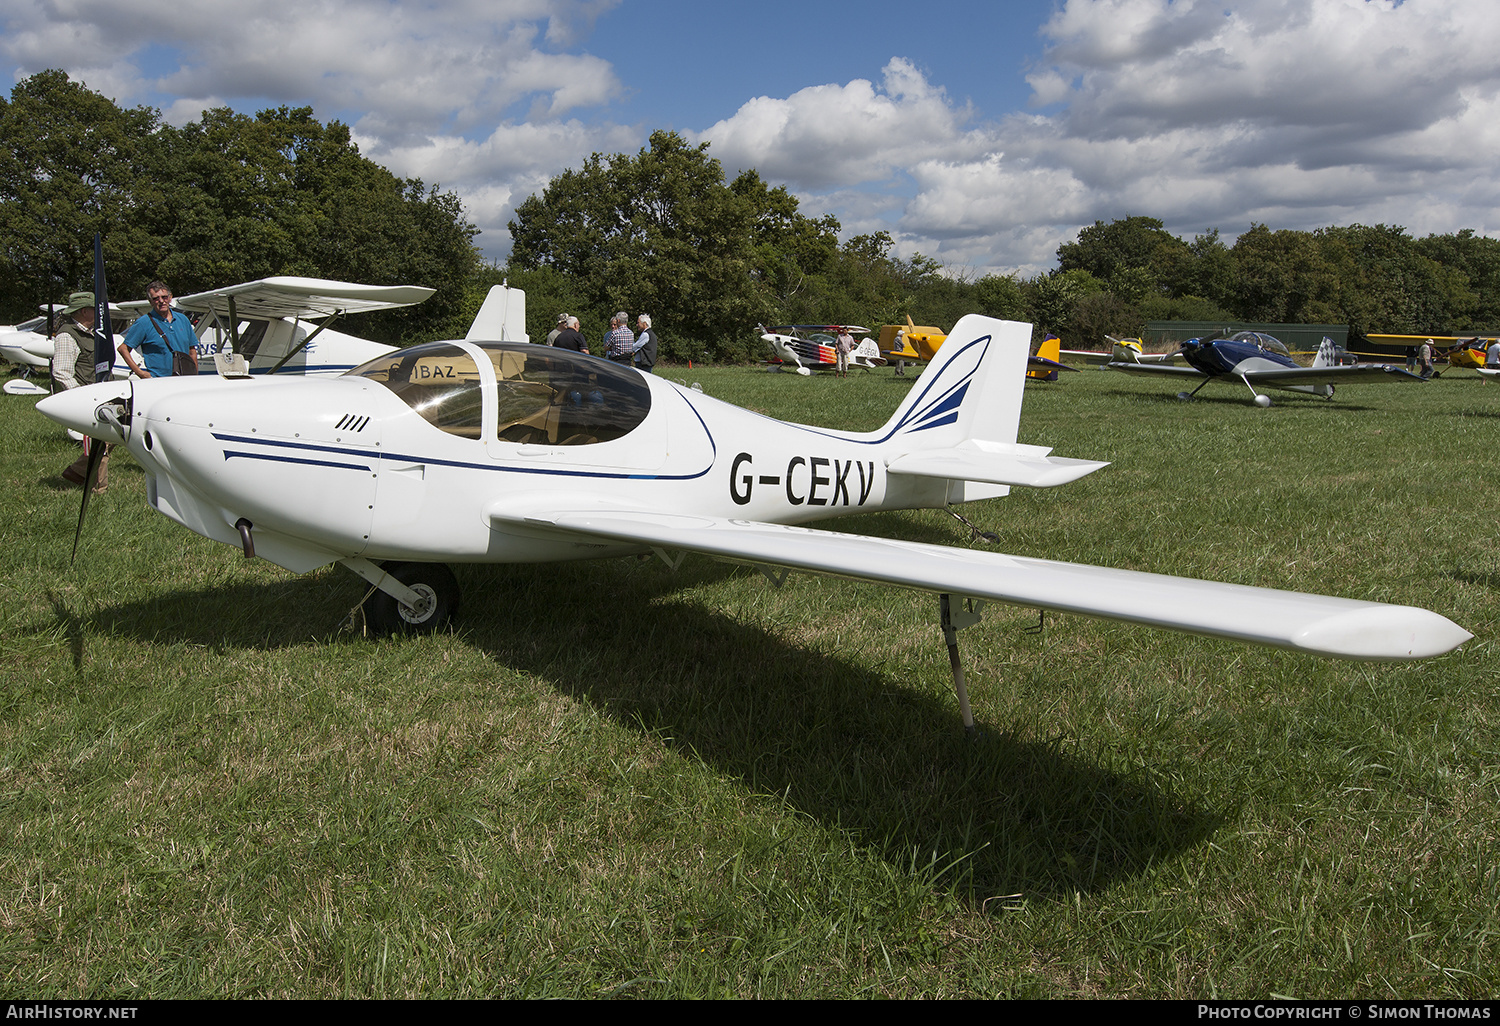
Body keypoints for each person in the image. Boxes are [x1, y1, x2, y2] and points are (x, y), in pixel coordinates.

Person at [51, 291, 110, 492]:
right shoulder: (68, 335)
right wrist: (80, 398)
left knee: (107, 439)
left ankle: (77, 472)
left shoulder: (92, 332)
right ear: (85, 311)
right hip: (87, 397)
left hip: (99, 394)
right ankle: (99, 489)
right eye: (96, 309)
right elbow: (61, 372)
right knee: (100, 442)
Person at [118, 280, 197, 378]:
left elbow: (192, 351)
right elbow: (123, 348)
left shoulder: (183, 319)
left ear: (170, 297)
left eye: (164, 297)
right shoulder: (144, 323)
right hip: (159, 381)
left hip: (184, 379)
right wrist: (141, 373)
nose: (161, 301)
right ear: (150, 301)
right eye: (156, 298)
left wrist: (195, 377)